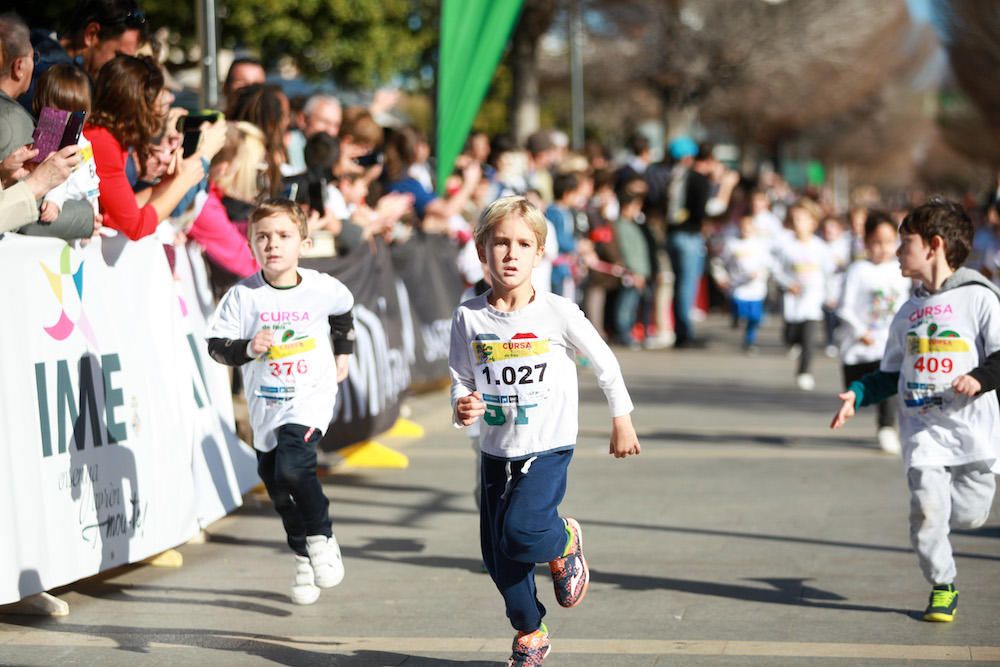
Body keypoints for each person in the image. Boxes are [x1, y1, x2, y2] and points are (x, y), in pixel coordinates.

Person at [449, 196, 641, 666]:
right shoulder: (469, 316)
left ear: (540, 255)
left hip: (547, 446)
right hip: (496, 450)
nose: (511, 254)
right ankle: (530, 632)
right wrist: (462, 405)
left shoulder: (559, 312)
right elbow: (461, 377)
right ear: (481, 251)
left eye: (523, 244)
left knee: (522, 531)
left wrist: (622, 417)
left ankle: (564, 541)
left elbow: (605, 363)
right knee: (498, 559)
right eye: (500, 244)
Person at [831, 197, 1000, 623]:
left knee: (970, 514)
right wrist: (858, 393)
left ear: (933, 246)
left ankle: (952, 521)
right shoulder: (907, 312)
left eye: (904, 244)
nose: (896, 256)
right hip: (924, 432)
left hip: (973, 432)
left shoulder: (980, 299)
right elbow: (889, 373)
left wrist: (979, 378)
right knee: (928, 514)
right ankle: (943, 585)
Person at [206, 199, 355, 605]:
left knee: (295, 466)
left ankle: (323, 539)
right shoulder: (243, 296)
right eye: (263, 237)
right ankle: (303, 553)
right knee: (278, 488)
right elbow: (217, 348)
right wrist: (248, 348)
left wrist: (343, 351)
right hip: (265, 406)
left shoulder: (321, 288)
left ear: (304, 244)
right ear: (251, 245)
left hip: (310, 397)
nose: (273, 244)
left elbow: (344, 311)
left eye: (284, 236)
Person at [86, 54, 223, 240]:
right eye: (161, 93)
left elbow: (118, 215)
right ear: (141, 103)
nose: (169, 98)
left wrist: (170, 182)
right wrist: (183, 181)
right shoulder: (102, 141)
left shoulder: (111, 138)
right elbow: (135, 227)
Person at [835, 210, 911, 454]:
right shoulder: (858, 270)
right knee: (856, 391)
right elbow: (844, 308)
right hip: (858, 347)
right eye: (876, 242)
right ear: (866, 242)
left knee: (890, 380)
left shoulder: (901, 272)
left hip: (889, 343)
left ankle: (886, 428)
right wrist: (859, 331)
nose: (883, 248)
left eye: (889, 242)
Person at [21, 0, 148, 110]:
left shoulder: (32, 51)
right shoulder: (52, 82)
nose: (121, 68)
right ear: (91, 34)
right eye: (119, 56)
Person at [774, 198, 834, 391]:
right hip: (792, 302)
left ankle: (804, 372)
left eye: (803, 219)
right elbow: (777, 271)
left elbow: (829, 274)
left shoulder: (821, 248)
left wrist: (830, 295)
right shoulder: (787, 247)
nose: (799, 224)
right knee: (791, 335)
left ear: (813, 222)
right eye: (795, 219)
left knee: (809, 338)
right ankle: (793, 341)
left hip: (812, 302)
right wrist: (788, 284)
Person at [32, 64, 101, 223]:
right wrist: (55, 200)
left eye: (77, 113)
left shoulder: (82, 142)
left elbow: (90, 181)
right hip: (63, 214)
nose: (68, 118)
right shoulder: (45, 138)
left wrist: (94, 214)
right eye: (60, 110)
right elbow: (54, 172)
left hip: (82, 211)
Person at [713, 214, 772, 353]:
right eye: (743, 227)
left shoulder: (761, 245)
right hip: (738, 287)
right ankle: (736, 318)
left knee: (755, 317)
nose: (746, 230)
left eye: (749, 227)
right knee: (739, 309)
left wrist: (760, 273)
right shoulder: (732, 244)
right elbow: (720, 262)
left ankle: (749, 340)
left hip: (756, 287)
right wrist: (720, 277)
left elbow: (768, 264)